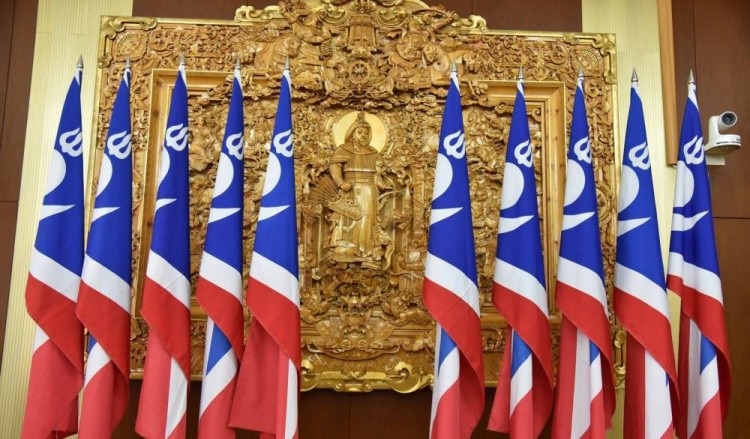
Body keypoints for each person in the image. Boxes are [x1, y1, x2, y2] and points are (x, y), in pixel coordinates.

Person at [329, 112, 380, 263]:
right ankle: (348, 250)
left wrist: (384, 185)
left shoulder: (373, 152)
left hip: (369, 189)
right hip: (350, 188)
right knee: (350, 217)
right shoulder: (344, 149)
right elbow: (334, 165)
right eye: (360, 132)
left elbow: (377, 174)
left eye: (366, 133)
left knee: (368, 217)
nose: (363, 135)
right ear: (352, 133)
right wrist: (340, 183)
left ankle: (365, 249)